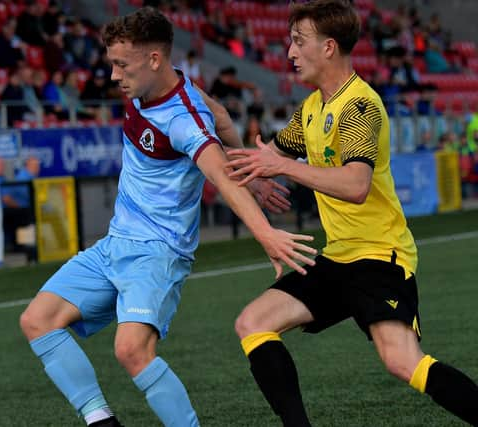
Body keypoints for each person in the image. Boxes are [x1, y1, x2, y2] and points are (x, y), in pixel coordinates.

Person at [19, 7, 316, 427]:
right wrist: (253, 177)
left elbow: (220, 176)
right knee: (37, 320)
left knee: (131, 349)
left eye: (121, 65)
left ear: (154, 59)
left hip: (158, 253)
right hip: (115, 244)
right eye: (112, 64)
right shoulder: (156, 85)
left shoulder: (181, 119)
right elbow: (225, 118)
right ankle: (100, 420)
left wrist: (266, 232)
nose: (114, 75)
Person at [224, 1, 478, 425]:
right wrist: (216, 131)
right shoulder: (310, 109)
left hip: (380, 256)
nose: (289, 52)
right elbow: (267, 155)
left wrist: (282, 167)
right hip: (338, 257)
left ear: (328, 48)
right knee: (252, 322)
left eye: (298, 41)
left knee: (402, 361)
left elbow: (357, 186)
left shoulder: (359, 105)